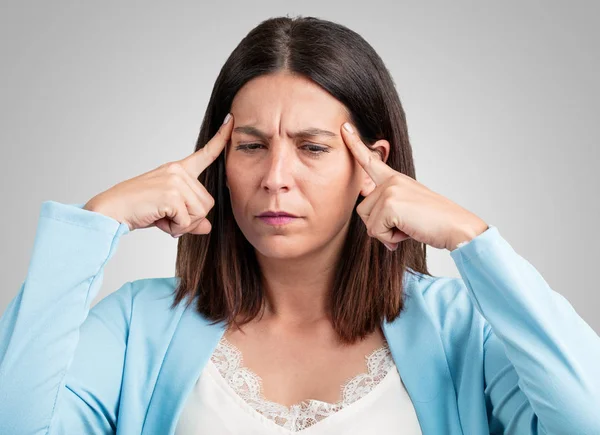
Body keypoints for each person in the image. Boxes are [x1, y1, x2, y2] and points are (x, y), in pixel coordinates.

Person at [1, 15, 599, 435]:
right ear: (221, 164)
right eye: (251, 145)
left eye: (312, 147)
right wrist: (94, 224)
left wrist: (474, 240)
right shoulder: (137, 324)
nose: (275, 177)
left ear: (374, 166)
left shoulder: (464, 330)